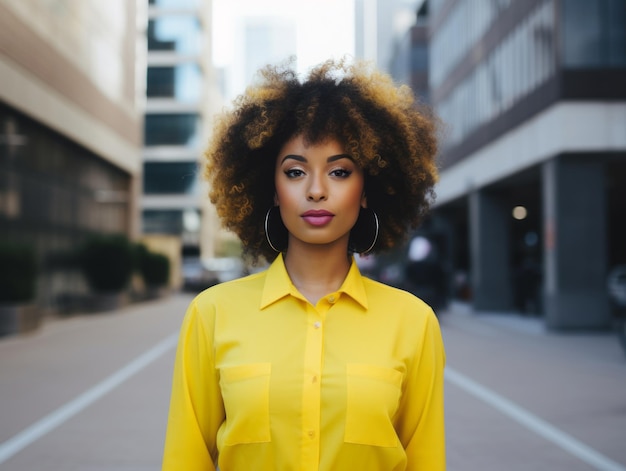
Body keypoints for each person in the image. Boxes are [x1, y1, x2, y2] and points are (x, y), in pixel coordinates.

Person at [162, 58, 446, 471]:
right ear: (271, 189)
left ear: (367, 190)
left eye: (340, 171)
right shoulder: (212, 314)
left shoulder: (413, 322)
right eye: (295, 172)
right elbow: (185, 460)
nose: (316, 190)